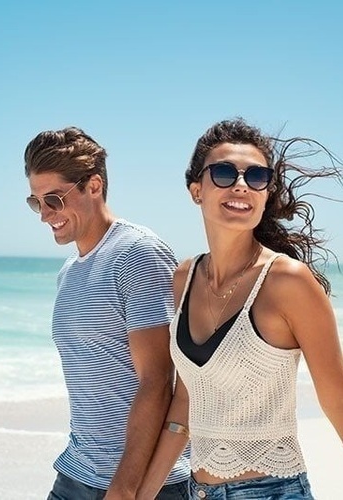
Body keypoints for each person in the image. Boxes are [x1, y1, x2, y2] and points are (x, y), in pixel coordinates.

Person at [137, 118, 343, 499]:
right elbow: (185, 403)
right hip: (196, 492)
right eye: (224, 172)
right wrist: (142, 493)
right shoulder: (184, 278)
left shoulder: (289, 282)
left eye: (257, 176)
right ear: (196, 190)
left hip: (274, 491)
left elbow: (337, 400)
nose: (241, 185)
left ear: (265, 194)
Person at [23, 126, 190, 499]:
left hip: (145, 484)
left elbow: (158, 379)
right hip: (78, 473)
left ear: (93, 186)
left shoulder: (137, 255)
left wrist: (126, 487)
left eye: (54, 199)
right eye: (36, 202)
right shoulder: (69, 271)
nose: (45, 215)